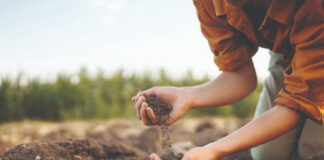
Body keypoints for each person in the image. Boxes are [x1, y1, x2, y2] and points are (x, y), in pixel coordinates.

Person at [132, 0, 324, 159]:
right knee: (268, 154)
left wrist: (214, 149)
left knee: (312, 150)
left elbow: (300, 101)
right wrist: (187, 96)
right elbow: (240, 76)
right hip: (288, 52)